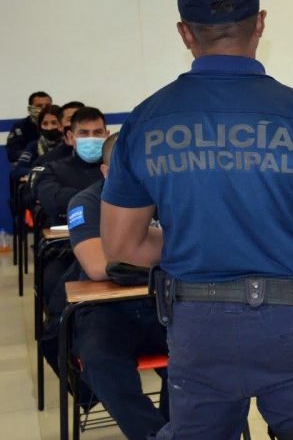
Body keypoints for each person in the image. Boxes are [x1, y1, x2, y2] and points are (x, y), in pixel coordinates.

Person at [100, 0, 293, 438]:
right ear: (260, 24)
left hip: (199, 326)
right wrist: (292, 244)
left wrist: (205, 247)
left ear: (185, 32)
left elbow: (121, 245)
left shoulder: (145, 121)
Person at [67, 134, 169, 439]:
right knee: (100, 363)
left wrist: (127, 259)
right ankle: (155, 435)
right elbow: (98, 266)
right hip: (107, 310)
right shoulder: (86, 202)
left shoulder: (170, 196)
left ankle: (177, 430)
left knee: (201, 354)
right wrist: (164, 255)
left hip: (164, 303)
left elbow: (200, 251)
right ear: (106, 172)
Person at [33, 106, 106, 226]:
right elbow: (53, 200)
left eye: (97, 133)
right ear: (71, 137)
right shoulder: (52, 170)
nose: (91, 138)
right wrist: (106, 199)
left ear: (106, 135)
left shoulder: (118, 169)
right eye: (83, 133)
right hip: (68, 235)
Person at [12, 104, 64, 180]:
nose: (49, 128)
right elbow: (18, 171)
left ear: (62, 124)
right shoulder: (34, 146)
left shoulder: (69, 145)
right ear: (40, 126)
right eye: (45, 124)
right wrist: (45, 172)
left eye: (54, 123)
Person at [6, 91, 51, 163]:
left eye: (47, 106)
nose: (44, 109)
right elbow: (12, 153)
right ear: (30, 108)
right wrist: (35, 153)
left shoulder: (59, 124)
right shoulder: (20, 126)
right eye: (39, 106)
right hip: (30, 164)